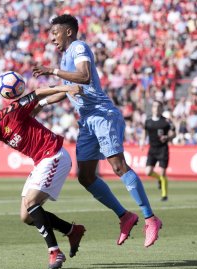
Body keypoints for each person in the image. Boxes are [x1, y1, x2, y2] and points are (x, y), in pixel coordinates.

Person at [33, 14, 162, 248]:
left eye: (55, 33)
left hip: (103, 115)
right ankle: (125, 216)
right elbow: (68, 89)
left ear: (68, 32)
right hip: (86, 121)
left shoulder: (79, 47)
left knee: (118, 166)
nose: (52, 38)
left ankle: (150, 218)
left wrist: (51, 71)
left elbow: (84, 76)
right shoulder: (65, 59)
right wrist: (40, 104)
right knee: (85, 176)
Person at [0, 85, 86, 269]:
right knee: (26, 216)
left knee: (32, 201)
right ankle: (72, 231)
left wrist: (68, 88)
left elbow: (39, 92)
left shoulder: (11, 112)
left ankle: (54, 252)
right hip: (41, 161)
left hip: (53, 154)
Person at [141, 100, 176, 201]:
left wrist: (167, 137)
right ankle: (159, 179)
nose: (156, 108)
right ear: (152, 108)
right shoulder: (148, 121)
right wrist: (142, 142)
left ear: (161, 109)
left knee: (163, 173)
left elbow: (174, 133)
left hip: (163, 149)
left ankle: (164, 195)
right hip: (152, 149)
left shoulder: (166, 121)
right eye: (154, 106)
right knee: (148, 172)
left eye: (158, 107)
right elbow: (144, 131)